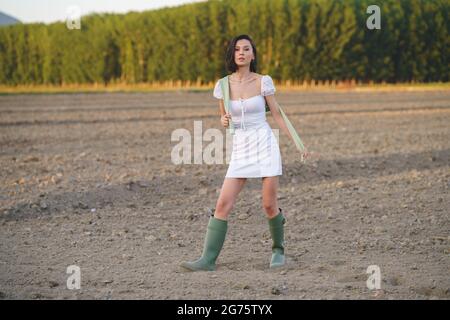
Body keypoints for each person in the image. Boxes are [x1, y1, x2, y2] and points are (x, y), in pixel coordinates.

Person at [181, 34, 310, 271]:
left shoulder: (263, 81)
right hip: (241, 148)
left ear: (253, 54)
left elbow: (277, 115)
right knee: (223, 204)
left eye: (246, 49)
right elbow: (224, 118)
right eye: (237, 49)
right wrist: (223, 120)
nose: (241, 52)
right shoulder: (222, 85)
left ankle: (278, 250)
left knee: (269, 205)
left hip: (264, 144)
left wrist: (298, 143)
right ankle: (208, 260)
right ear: (232, 54)